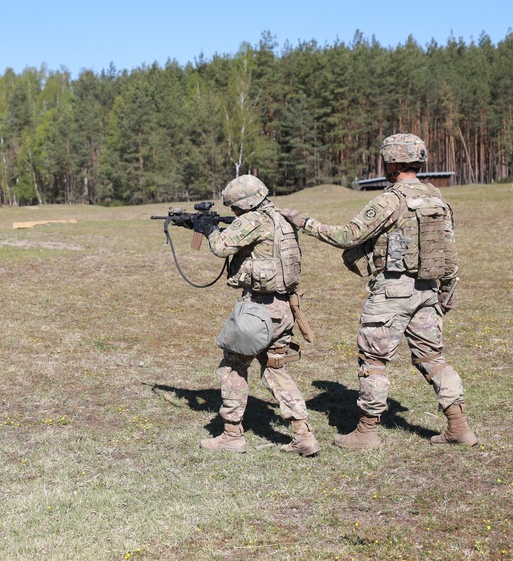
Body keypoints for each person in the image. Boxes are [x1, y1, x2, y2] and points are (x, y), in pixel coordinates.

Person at [280, 133, 478, 449]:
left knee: (373, 360)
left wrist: (303, 221)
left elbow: (347, 235)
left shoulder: (391, 199)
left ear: (393, 161)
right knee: (434, 358)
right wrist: (445, 298)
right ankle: (459, 427)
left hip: (392, 292)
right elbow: (450, 256)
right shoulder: (436, 198)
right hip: (427, 290)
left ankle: (366, 433)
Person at [193, 174, 319, 456]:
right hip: (284, 308)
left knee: (232, 366)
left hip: (257, 310)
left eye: (235, 208)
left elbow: (221, 247)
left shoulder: (252, 220)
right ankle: (303, 435)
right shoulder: (280, 217)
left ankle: (231, 435)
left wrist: (209, 230)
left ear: (245, 204)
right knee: (275, 367)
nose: (234, 213)